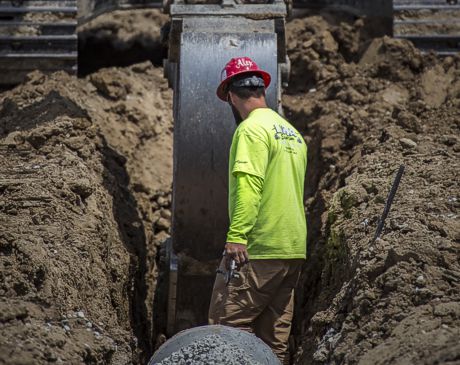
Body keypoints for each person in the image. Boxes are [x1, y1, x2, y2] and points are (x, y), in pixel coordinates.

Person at [208, 56, 308, 364]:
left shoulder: (251, 131)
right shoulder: (292, 133)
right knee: (274, 339)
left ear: (231, 97)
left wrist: (238, 235)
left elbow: (249, 187)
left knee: (227, 325)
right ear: (262, 92)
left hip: (259, 249)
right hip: (291, 249)